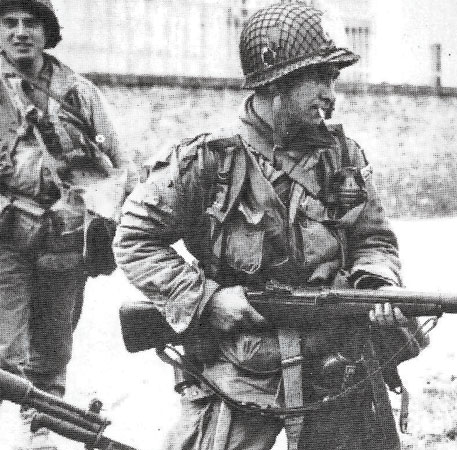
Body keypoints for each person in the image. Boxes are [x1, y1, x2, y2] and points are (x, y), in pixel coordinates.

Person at [114, 2, 427, 450]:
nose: (330, 94)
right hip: (238, 369)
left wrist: (375, 284)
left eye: (332, 79)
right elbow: (135, 239)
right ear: (277, 83)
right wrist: (207, 300)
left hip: (334, 361)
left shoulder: (342, 158)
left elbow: (372, 238)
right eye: (318, 78)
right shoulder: (210, 161)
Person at [0, 0, 134, 448]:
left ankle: (41, 430)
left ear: (47, 31)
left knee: (54, 348)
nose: (20, 32)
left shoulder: (78, 92)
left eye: (30, 23)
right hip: (5, 236)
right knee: (3, 349)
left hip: (64, 238)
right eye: (9, 22)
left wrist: (99, 214)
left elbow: (123, 166)